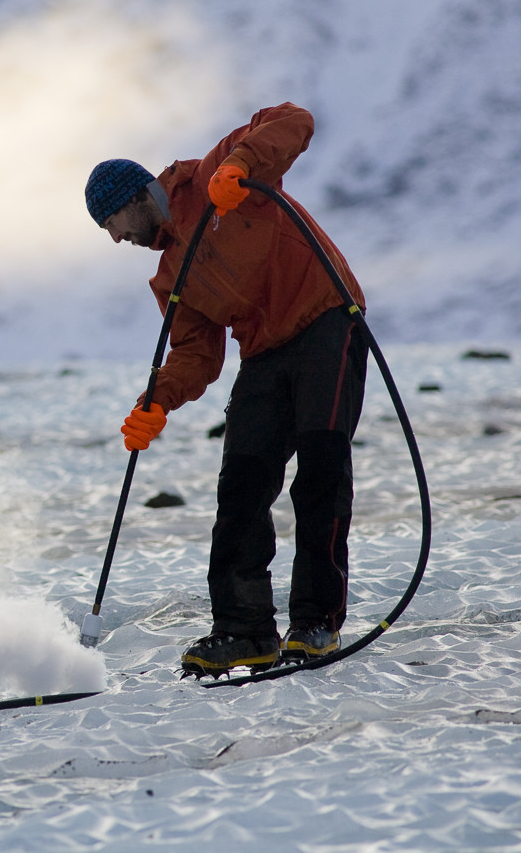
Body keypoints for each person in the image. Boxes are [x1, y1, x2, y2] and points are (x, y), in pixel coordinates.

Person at [84, 103, 368, 676]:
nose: (116, 239)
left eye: (113, 223)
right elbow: (197, 355)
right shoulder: (170, 277)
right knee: (241, 486)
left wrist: (239, 165)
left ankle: (316, 624)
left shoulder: (215, 176)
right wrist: (157, 398)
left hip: (326, 320)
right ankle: (245, 632)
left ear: (136, 198)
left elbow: (293, 120)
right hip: (263, 354)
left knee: (320, 477)